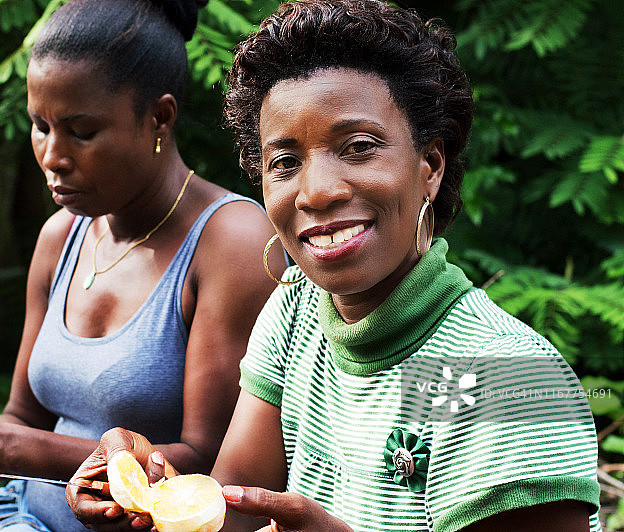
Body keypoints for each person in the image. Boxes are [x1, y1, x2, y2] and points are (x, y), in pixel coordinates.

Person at [65, 1, 603, 531]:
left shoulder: (508, 376)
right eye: (285, 162)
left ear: (431, 166)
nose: (317, 192)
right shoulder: (296, 309)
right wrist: (150, 495)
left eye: (358, 147)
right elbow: (232, 516)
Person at [0, 0, 285, 530]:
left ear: (160, 117)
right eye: (40, 125)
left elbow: (211, 463)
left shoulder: (231, 241)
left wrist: (0, 446)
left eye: (81, 131)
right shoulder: (62, 235)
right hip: (17, 513)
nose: (52, 155)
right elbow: (22, 417)